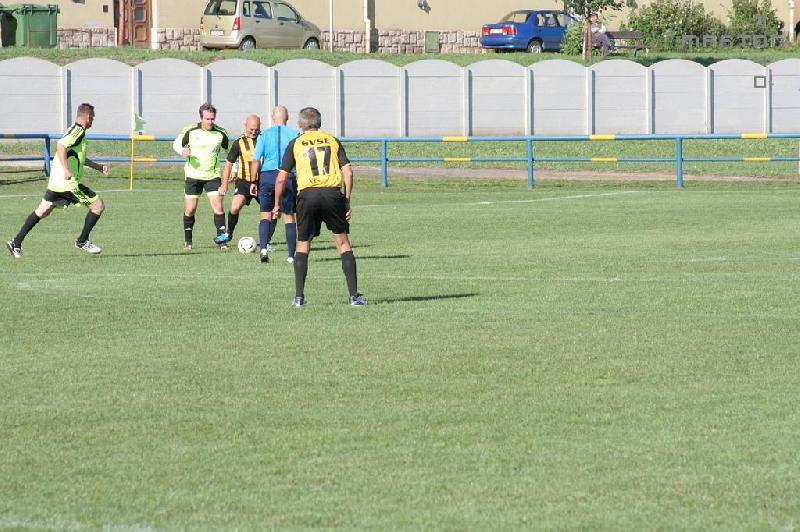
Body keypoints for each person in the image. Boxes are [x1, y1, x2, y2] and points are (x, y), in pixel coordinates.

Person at [272, 107, 366, 307]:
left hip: (307, 196)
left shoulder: (296, 143)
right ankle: (353, 297)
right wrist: (346, 200)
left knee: (303, 244)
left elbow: (281, 178)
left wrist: (277, 204)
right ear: (319, 124)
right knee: (343, 243)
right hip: (332, 194)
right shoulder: (332, 140)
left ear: (300, 125)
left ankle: (299, 298)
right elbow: (348, 173)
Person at [6, 103, 108, 258]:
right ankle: (82, 241)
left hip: (56, 182)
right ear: (87, 117)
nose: (93, 121)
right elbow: (61, 146)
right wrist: (67, 170)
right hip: (68, 183)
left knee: (43, 210)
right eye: (92, 117)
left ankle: (16, 242)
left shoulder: (74, 131)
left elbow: (79, 157)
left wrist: (98, 167)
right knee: (98, 206)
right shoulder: (78, 131)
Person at [173, 102, 230, 250]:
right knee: (191, 209)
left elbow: (230, 153)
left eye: (212, 119)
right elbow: (176, 144)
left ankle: (222, 241)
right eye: (207, 119)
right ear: (201, 118)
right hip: (193, 175)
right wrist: (182, 151)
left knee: (218, 206)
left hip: (212, 175)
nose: (210, 122)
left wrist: (234, 169)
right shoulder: (190, 130)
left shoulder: (221, 133)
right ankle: (188, 241)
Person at [249, 105, 301, 264]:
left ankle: (264, 249)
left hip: (267, 176)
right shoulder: (295, 135)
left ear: (272, 118)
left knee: (265, 214)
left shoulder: (264, 134)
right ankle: (291, 256)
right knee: (289, 216)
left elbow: (256, 160)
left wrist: (253, 181)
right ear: (288, 117)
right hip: (287, 176)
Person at [221, 114, 261, 242]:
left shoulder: (264, 139)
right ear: (245, 126)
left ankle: (266, 242)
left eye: (256, 129)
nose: (254, 132)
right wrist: (224, 184)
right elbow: (228, 163)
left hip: (262, 182)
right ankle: (228, 234)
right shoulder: (239, 142)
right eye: (251, 129)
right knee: (234, 207)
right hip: (243, 182)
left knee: (270, 212)